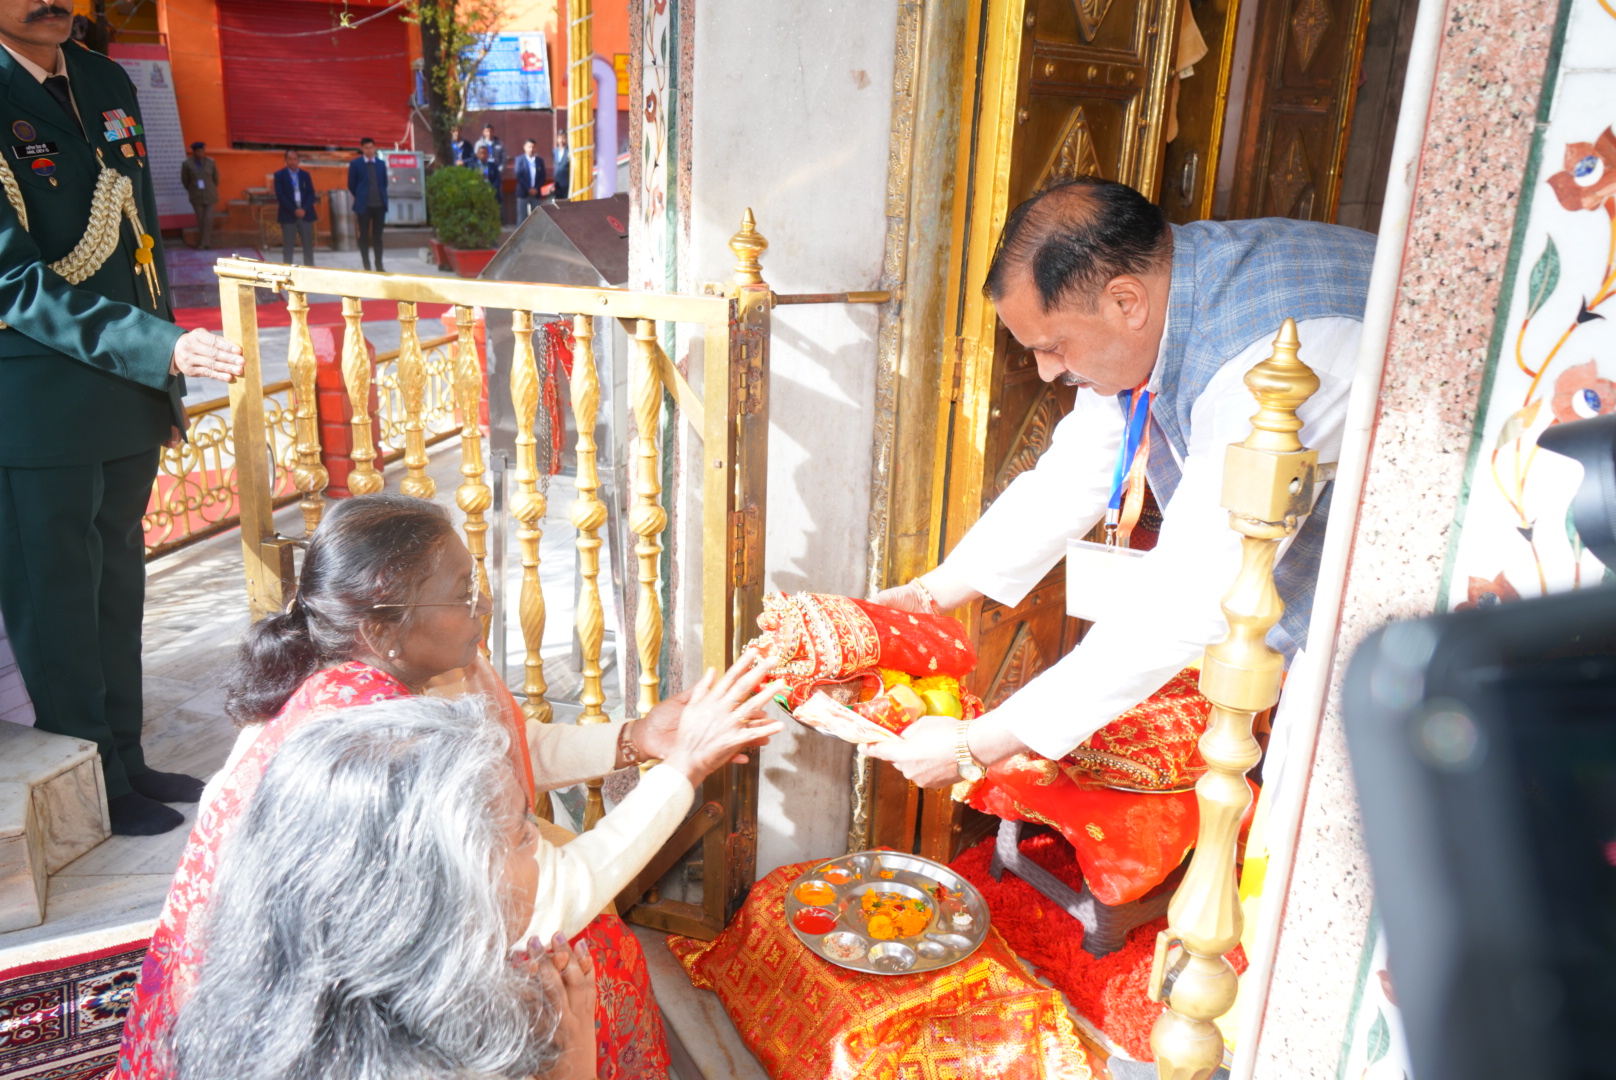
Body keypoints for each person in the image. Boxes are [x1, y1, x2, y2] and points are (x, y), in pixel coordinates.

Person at [114, 493, 782, 1080]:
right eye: (461, 593)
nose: (482, 606)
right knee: (581, 962)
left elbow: (514, 749)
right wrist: (685, 768)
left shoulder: (378, 667)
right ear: (383, 628)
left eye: (476, 583)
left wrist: (637, 737)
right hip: (301, 1022)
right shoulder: (380, 744)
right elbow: (554, 899)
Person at [866, 177, 1374, 906]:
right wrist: (928, 595)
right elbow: (1077, 468)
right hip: (1333, 619)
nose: (1046, 371)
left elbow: (1190, 594)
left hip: (1403, 625)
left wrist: (978, 742)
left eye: (1051, 347)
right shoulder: (1162, 301)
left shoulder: (1276, 362)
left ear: (1124, 301)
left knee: (1324, 859)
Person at [0, 0, 244, 836]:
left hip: (125, 391)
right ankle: (93, 780)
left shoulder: (104, 79)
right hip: (36, 405)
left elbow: (139, 243)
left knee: (116, 592)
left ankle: (127, 759)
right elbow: (13, 282)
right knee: (58, 607)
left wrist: (159, 376)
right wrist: (161, 348)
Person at [168, 696, 599, 1080]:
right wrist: (572, 1070)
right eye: (522, 834)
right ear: (442, 899)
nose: (537, 841)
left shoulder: (261, 1005)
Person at [346, 136, 387, 272]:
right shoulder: (355, 164)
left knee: (378, 237)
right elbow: (351, 184)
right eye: (366, 148)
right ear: (362, 149)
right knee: (364, 235)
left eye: (371, 147)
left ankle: (379, 265)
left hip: (379, 205)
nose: (369, 150)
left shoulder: (381, 164)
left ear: (374, 148)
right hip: (363, 206)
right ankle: (366, 266)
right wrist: (361, 196)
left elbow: (384, 183)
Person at [271, 149, 316, 267]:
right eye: (290, 159)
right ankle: (287, 269)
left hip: (305, 214)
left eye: (295, 159)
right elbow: (280, 195)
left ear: (299, 160)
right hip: (288, 214)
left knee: (308, 244)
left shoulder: (305, 175)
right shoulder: (279, 175)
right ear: (285, 160)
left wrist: (304, 209)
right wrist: (294, 210)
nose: (293, 162)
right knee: (288, 245)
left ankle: (310, 267)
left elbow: (311, 193)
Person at [178, 140, 216, 250]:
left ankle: (205, 243)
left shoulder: (210, 162)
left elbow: (216, 179)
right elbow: (185, 180)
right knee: (201, 220)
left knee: (208, 219)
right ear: (194, 152)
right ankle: (204, 242)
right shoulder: (187, 164)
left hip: (210, 195)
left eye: (202, 151)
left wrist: (210, 188)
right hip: (196, 196)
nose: (200, 153)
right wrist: (192, 190)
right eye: (197, 151)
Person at [515, 137, 546, 220]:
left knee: (536, 217)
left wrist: (536, 189)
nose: (531, 149)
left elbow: (543, 176)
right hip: (523, 192)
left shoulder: (539, 161)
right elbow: (518, 176)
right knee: (522, 217)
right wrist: (528, 189)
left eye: (533, 147)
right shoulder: (519, 160)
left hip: (536, 193)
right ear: (524, 147)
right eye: (529, 147)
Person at [475, 142, 503, 207]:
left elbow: (498, 180)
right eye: (481, 153)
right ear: (477, 155)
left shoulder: (493, 166)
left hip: (492, 194)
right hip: (478, 195)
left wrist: (491, 189)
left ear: (488, 154)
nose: (483, 155)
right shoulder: (473, 166)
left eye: (485, 153)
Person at [550, 127, 570, 200]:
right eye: (559, 138)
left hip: (567, 182)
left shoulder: (570, 151)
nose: (561, 140)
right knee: (558, 202)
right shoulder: (555, 151)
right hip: (557, 183)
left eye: (563, 138)